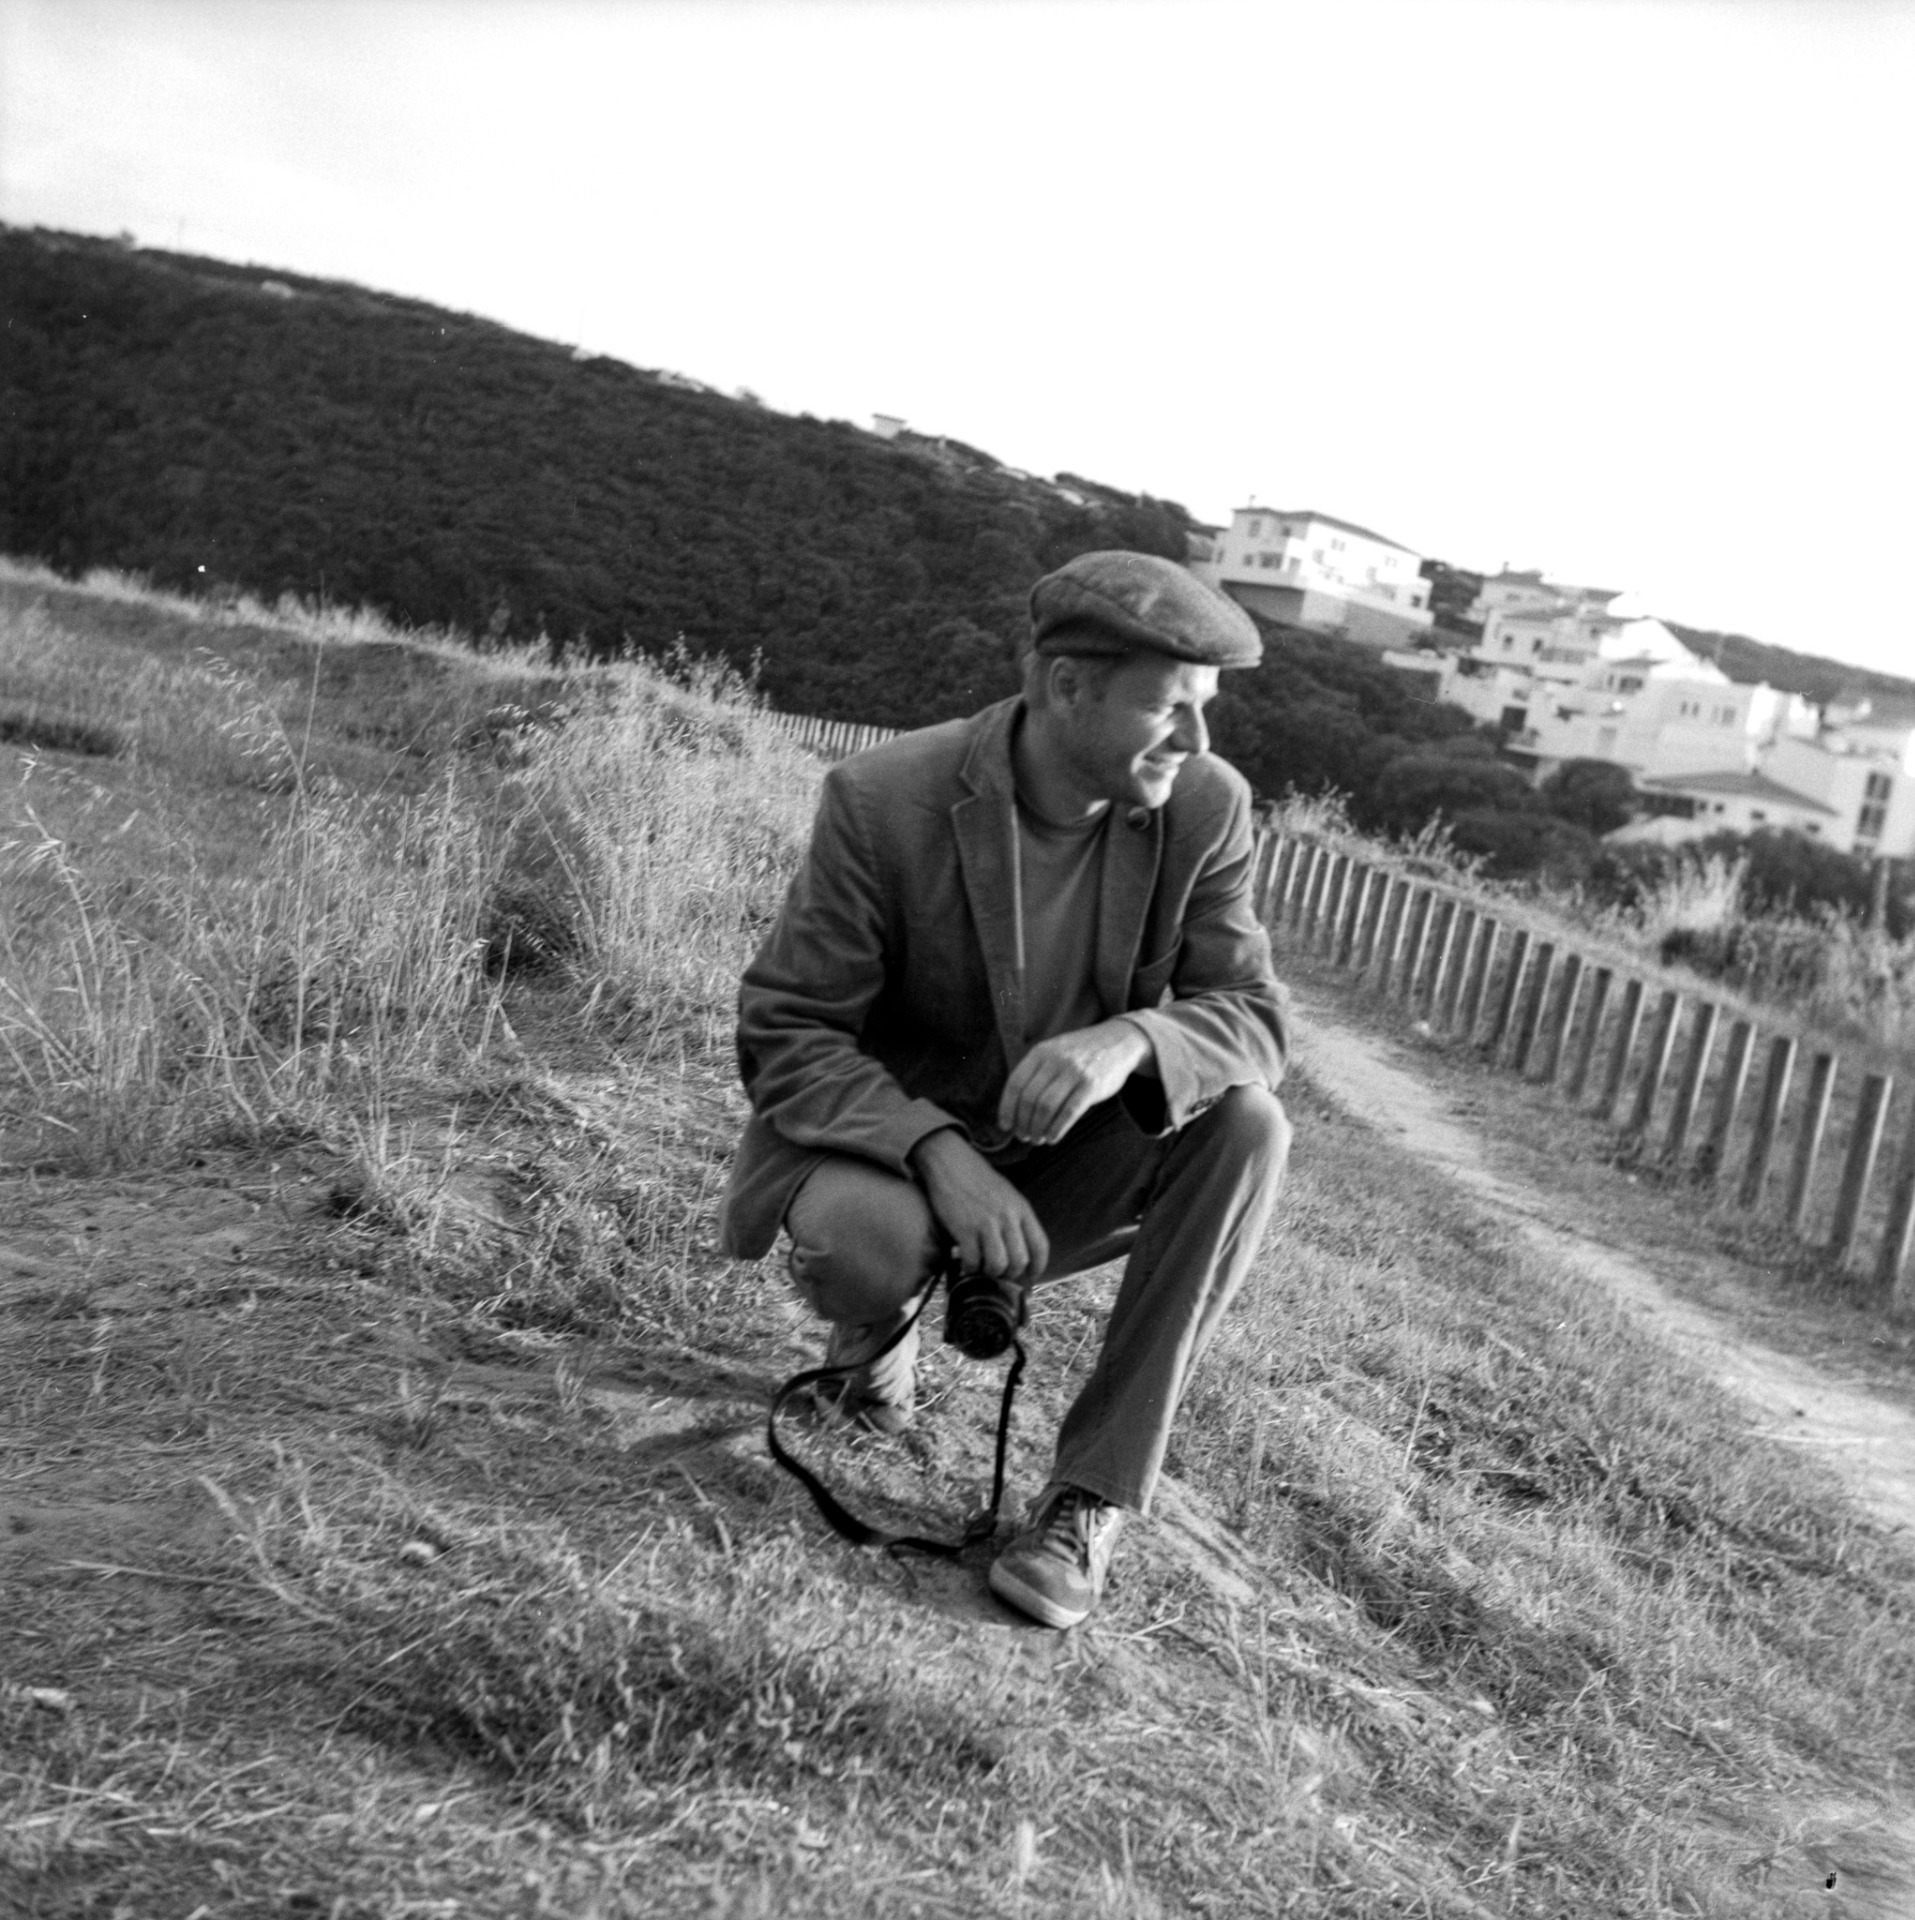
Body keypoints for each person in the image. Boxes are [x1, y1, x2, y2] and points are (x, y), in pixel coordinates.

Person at [718, 549, 1291, 1629]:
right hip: (897, 1169)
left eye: (1205, 710)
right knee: (864, 1244)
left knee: (1248, 1127)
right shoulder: (884, 798)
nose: (1196, 740)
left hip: (1062, 1174)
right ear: (1066, 685)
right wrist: (936, 1152)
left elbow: (1254, 1019)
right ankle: (875, 1334)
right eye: (1168, 707)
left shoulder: (1205, 805)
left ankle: (1090, 1495)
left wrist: (1131, 1038)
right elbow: (787, 1030)